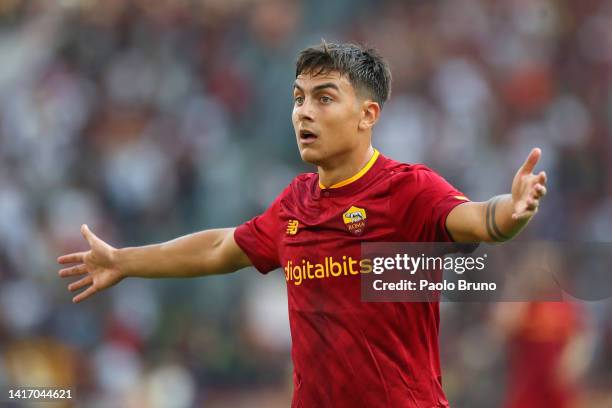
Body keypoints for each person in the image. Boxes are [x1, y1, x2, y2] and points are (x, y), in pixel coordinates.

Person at [58, 41, 548, 407]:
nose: (304, 113)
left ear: (367, 114)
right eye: (298, 98)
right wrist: (124, 260)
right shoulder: (295, 203)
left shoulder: (408, 189)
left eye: (324, 98)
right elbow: (218, 248)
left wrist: (513, 209)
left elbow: (480, 219)